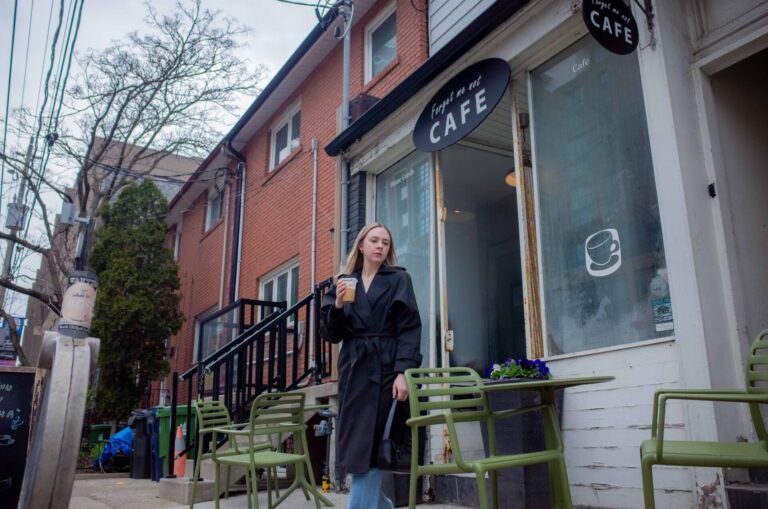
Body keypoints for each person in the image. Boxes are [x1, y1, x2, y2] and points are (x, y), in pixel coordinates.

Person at [321, 223, 422, 509]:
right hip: (354, 370)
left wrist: (403, 372)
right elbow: (331, 334)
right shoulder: (344, 281)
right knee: (357, 445)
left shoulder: (398, 279)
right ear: (362, 246)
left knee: (376, 442)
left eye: (386, 243)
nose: (380, 246)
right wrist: (338, 304)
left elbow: (410, 328)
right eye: (374, 240)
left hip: (387, 368)